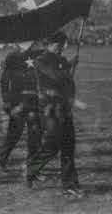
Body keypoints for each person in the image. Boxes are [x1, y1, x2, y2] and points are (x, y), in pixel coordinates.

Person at [25, 32, 84, 198]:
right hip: (49, 110)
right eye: (61, 44)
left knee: (68, 147)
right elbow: (55, 75)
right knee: (52, 146)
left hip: (64, 108)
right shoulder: (41, 60)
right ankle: (31, 169)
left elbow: (68, 83)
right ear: (51, 43)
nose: (63, 47)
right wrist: (70, 66)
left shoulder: (62, 60)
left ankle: (69, 185)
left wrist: (70, 99)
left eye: (64, 44)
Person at [0, 42, 43, 170]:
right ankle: (2, 159)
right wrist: (6, 100)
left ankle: (31, 163)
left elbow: (52, 59)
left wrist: (69, 63)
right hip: (17, 100)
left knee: (35, 134)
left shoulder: (38, 55)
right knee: (15, 132)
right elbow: (4, 80)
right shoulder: (12, 57)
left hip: (34, 100)